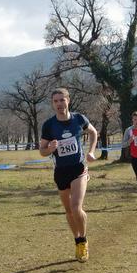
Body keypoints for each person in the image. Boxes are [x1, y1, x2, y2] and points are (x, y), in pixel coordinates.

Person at [39, 88, 97, 262]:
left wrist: (91, 152)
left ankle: (83, 240)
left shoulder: (79, 119)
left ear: (68, 101)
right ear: (52, 104)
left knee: (75, 207)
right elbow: (41, 150)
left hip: (78, 169)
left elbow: (93, 132)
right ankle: (77, 240)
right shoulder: (49, 125)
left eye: (61, 100)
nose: (59, 104)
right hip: (61, 172)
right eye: (55, 101)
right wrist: (49, 149)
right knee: (69, 211)